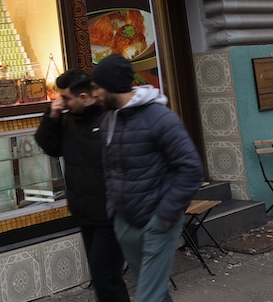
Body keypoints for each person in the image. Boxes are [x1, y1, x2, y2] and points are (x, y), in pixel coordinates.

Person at [90, 54, 204, 302]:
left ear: (111, 86)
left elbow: (191, 168)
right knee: (154, 292)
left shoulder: (160, 118)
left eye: (97, 87)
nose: (94, 94)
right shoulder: (109, 120)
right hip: (126, 222)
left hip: (157, 222)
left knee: (148, 298)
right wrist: (115, 212)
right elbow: (109, 168)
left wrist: (164, 216)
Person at [35, 69, 130, 302]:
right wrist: (51, 116)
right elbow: (49, 146)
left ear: (84, 97)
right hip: (85, 211)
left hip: (111, 214)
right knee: (103, 277)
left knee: (104, 276)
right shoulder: (69, 120)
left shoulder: (109, 119)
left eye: (65, 98)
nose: (60, 103)